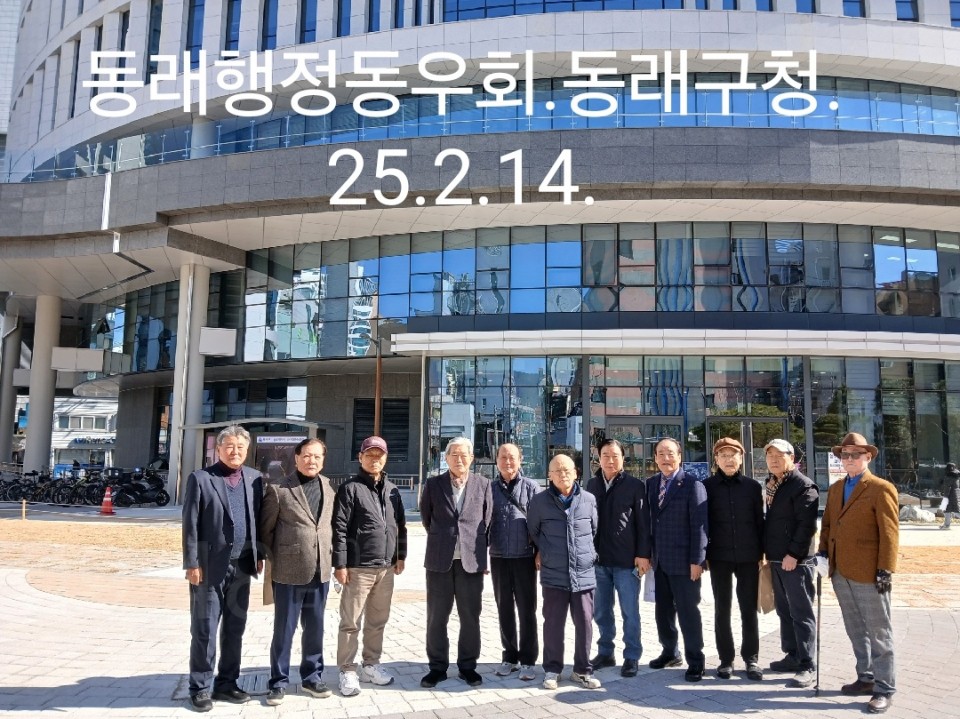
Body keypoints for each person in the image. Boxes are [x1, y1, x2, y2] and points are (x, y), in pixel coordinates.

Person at [182, 425, 263, 713]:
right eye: (229, 446)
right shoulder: (201, 479)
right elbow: (190, 523)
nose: (234, 451)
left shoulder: (255, 478)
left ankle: (227, 683)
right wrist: (192, 562)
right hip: (209, 567)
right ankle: (200, 688)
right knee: (204, 628)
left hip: (242, 566)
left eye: (240, 447)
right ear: (218, 449)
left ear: (247, 450)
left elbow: (258, 519)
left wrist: (259, 553)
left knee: (234, 628)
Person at [819, 432, 899, 714]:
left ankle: (884, 687)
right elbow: (828, 525)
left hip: (870, 573)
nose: (849, 459)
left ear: (868, 457)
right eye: (845, 455)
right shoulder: (836, 488)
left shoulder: (880, 488)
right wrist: (822, 553)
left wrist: (885, 569)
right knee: (855, 629)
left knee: (879, 631)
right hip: (840, 571)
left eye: (855, 454)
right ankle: (866, 677)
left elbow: (890, 534)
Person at [259, 437, 336, 705]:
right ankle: (278, 682)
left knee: (315, 628)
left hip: (320, 570)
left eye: (317, 456)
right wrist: (270, 560)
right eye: (306, 455)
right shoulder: (279, 489)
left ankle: (312, 677)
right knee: (284, 630)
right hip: (288, 571)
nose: (311, 460)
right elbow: (266, 529)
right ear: (296, 458)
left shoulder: (329, 487)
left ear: (323, 460)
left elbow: (329, 527)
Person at [332, 436, 407, 697]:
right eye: (370, 454)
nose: (375, 459)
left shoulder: (392, 490)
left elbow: (400, 526)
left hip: (386, 568)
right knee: (350, 621)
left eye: (379, 455)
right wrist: (340, 564)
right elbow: (339, 529)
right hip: (358, 567)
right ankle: (347, 670)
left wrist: (401, 556)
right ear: (360, 457)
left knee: (377, 620)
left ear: (385, 458)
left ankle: (371, 664)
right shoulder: (350, 489)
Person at [419, 437, 493, 688]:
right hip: (439, 560)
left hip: (471, 562)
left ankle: (468, 666)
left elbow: (487, 521)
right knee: (436, 617)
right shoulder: (433, 484)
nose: (459, 459)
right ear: (446, 458)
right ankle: (437, 667)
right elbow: (427, 519)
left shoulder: (483, 484)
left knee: (470, 616)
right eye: (454, 455)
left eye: (464, 455)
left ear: (471, 458)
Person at [527, 453, 601, 690]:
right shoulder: (539, 501)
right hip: (554, 573)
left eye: (567, 470)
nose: (563, 474)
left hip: (583, 573)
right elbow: (534, 531)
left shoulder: (588, 499)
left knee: (585, 624)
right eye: (557, 471)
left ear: (576, 472)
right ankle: (552, 669)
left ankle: (582, 670)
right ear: (550, 475)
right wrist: (547, 552)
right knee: (553, 624)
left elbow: (594, 529)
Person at [584, 438, 650, 677]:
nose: (610, 460)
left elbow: (644, 524)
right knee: (601, 611)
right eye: (605, 455)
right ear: (598, 458)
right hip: (599, 561)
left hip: (626, 561)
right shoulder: (591, 485)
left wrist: (643, 555)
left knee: (629, 611)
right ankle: (605, 652)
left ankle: (632, 656)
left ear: (623, 458)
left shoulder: (635, 486)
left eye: (615, 456)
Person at [646, 437, 708, 682]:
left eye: (670, 453)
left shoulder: (693, 485)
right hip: (660, 561)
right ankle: (670, 652)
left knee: (688, 613)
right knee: (663, 612)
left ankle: (696, 661)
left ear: (680, 456)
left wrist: (697, 561)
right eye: (660, 453)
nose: (665, 458)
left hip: (685, 563)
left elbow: (700, 527)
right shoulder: (651, 484)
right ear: (655, 458)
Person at [703, 437, 765, 681]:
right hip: (719, 556)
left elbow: (759, 522)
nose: (729, 460)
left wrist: (762, 553)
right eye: (724, 455)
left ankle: (751, 658)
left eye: (733, 455)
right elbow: (703, 524)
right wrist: (703, 555)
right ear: (716, 459)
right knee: (722, 608)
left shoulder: (752, 487)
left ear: (741, 458)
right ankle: (725, 659)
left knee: (748, 608)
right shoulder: (706, 487)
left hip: (749, 556)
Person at [762, 438, 819, 689]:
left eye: (779, 456)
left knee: (801, 612)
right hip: (776, 558)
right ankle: (792, 655)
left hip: (796, 561)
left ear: (792, 458)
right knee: (784, 611)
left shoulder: (803, 485)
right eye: (770, 456)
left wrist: (794, 554)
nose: (774, 460)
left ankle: (807, 664)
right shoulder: (773, 484)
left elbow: (806, 525)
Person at [488, 443, 540, 681]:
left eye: (512, 457)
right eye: (503, 457)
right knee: (504, 608)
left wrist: (540, 552)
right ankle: (509, 656)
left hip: (524, 557)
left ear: (520, 460)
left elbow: (541, 524)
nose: (507, 462)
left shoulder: (532, 487)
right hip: (498, 556)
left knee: (527, 610)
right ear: (496, 460)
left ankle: (528, 659)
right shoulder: (489, 488)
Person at [940, 462, 960, 529]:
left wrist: (945, 496)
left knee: (951, 511)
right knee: (951, 510)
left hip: (950, 496)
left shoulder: (949, 476)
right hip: (956, 494)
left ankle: (947, 525)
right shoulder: (956, 475)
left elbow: (947, 487)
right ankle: (946, 525)